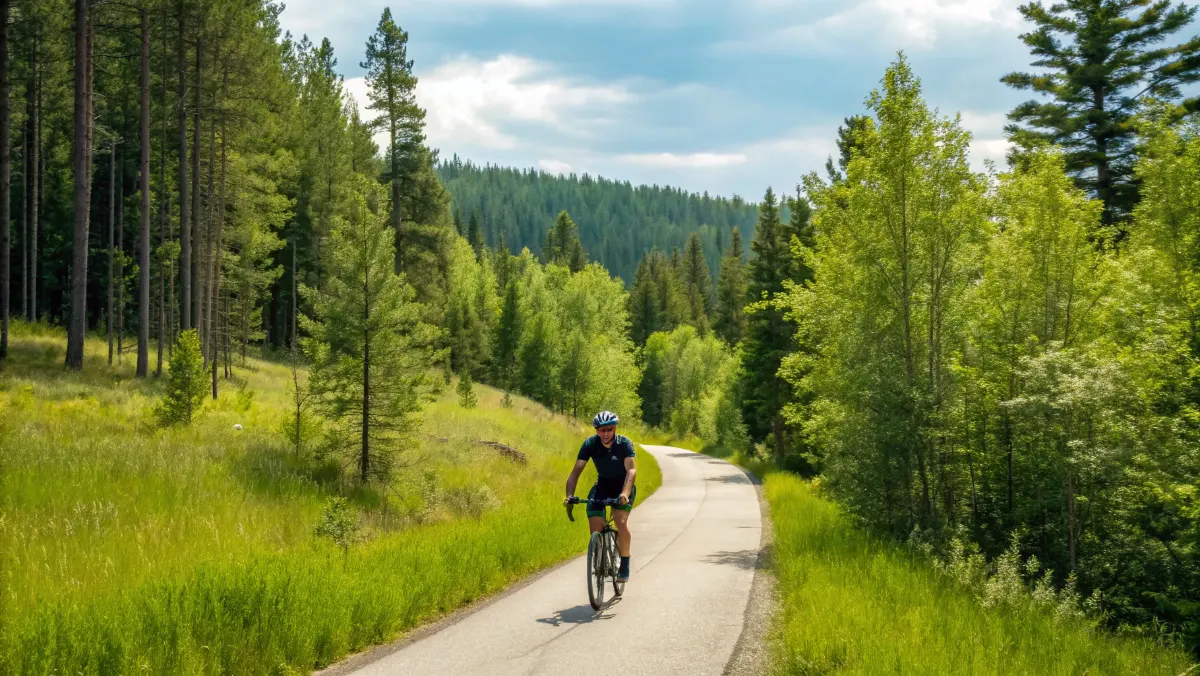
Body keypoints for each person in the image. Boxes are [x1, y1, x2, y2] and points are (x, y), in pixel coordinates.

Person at [564, 410, 637, 582]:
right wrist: (569, 495)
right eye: (601, 430)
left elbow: (631, 471)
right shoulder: (590, 443)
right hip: (602, 486)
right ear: (596, 430)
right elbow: (576, 472)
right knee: (595, 527)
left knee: (621, 522)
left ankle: (624, 565)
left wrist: (625, 494)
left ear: (615, 428)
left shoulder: (624, 443)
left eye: (609, 430)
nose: (605, 434)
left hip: (623, 487)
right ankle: (600, 556)